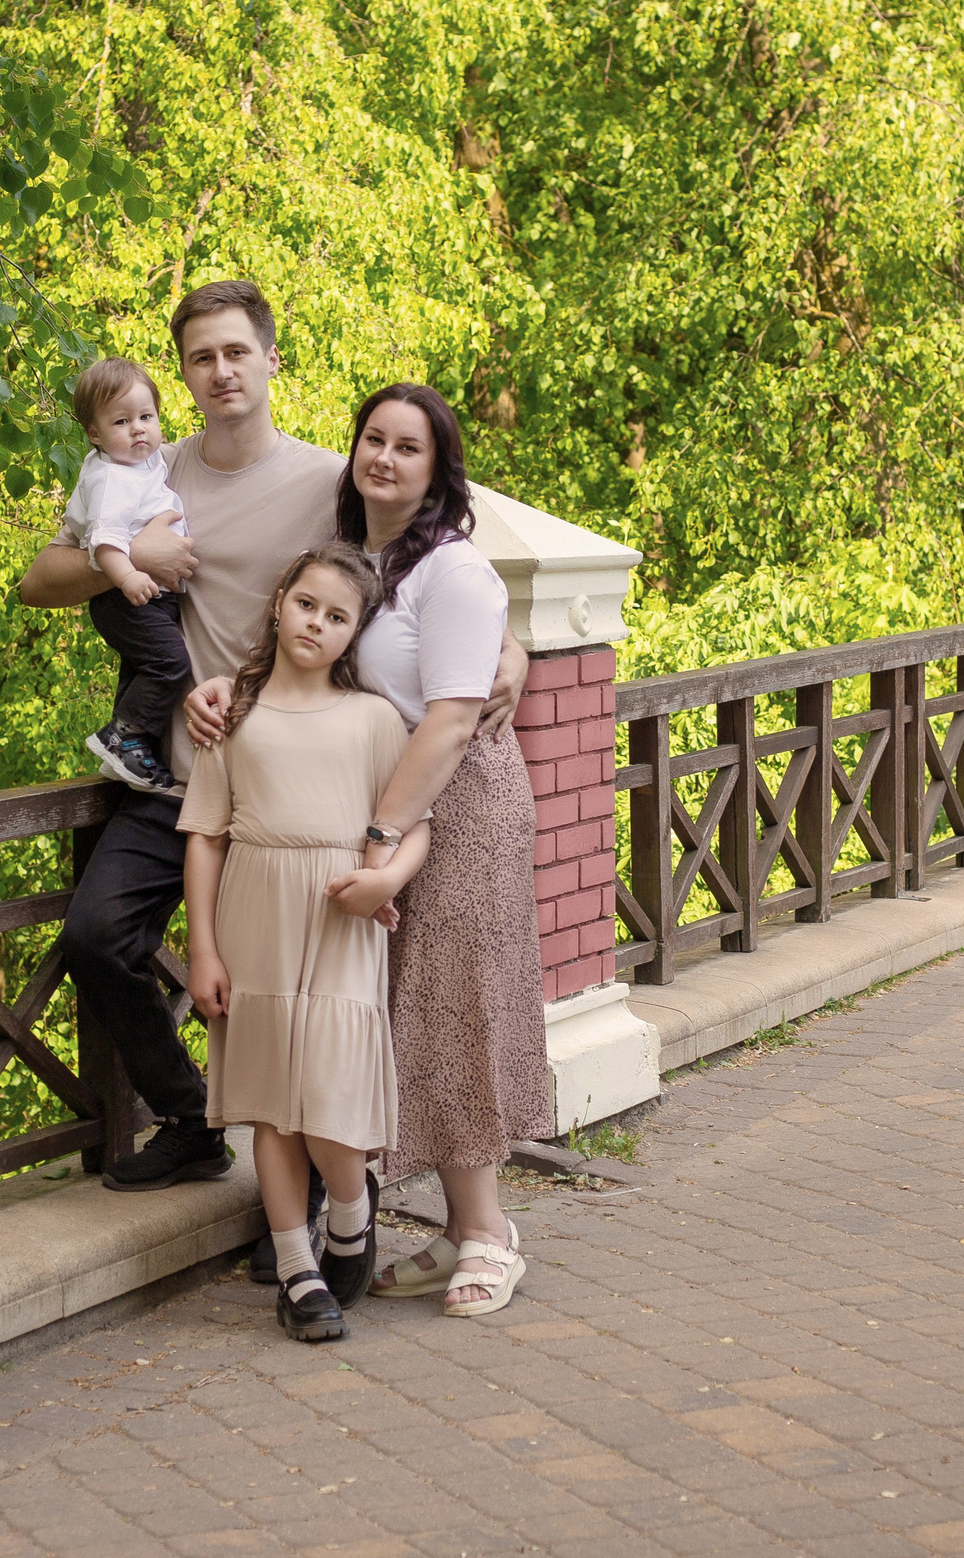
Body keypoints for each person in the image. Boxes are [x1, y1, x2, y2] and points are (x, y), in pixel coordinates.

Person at [16, 279, 527, 1196]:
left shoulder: (328, 480)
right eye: (201, 358)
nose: (220, 372)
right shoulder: (143, 471)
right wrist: (135, 563)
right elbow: (41, 578)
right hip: (177, 775)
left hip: (295, 790)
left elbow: (427, 558)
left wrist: (512, 646)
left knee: (304, 999)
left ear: (270, 360)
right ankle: (187, 1116)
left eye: (236, 352)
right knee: (97, 937)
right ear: (182, 374)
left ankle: (324, 1210)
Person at [328, 383, 550, 1318]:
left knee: (458, 1003)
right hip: (404, 805)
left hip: (458, 812)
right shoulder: (369, 558)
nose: (383, 457)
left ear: (437, 468)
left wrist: (380, 832)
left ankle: (493, 1235)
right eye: (371, 439)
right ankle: (459, 1227)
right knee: (411, 1005)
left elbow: (455, 718)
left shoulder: (451, 568)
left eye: (406, 447)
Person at [180, 544, 426, 1342]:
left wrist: (385, 878)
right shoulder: (234, 716)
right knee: (271, 1110)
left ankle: (351, 1217)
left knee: (328, 1098)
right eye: (306, 603)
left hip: (340, 920)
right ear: (279, 600)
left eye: (337, 615)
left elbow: (415, 822)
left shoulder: (375, 719)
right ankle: (297, 1269)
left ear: (354, 634)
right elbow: (207, 837)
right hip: (254, 913)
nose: (316, 623)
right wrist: (204, 950)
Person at [62, 357, 189, 793]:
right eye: (122, 421)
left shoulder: (140, 463)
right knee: (170, 663)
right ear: (94, 434)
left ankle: (132, 756)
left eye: (146, 417)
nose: (138, 429)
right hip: (127, 594)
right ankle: (122, 739)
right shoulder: (112, 479)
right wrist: (127, 577)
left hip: (143, 594)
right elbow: (104, 540)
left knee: (140, 671)